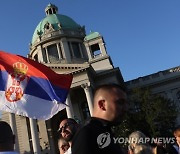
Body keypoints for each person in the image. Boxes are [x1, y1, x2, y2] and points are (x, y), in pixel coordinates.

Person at [72, 83, 128, 154]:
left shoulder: (104, 131)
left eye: (126, 103)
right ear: (102, 104)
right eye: (120, 102)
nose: (126, 108)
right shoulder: (87, 134)